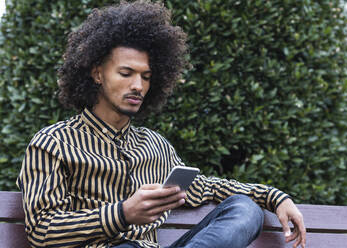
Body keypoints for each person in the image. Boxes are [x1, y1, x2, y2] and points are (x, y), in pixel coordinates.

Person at [17, 1, 306, 248]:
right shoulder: (52, 143)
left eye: (145, 76)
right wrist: (122, 214)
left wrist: (275, 198)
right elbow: (42, 229)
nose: (137, 86)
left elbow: (207, 188)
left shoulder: (156, 146)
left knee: (244, 209)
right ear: (97, 73)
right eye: (126, 73)